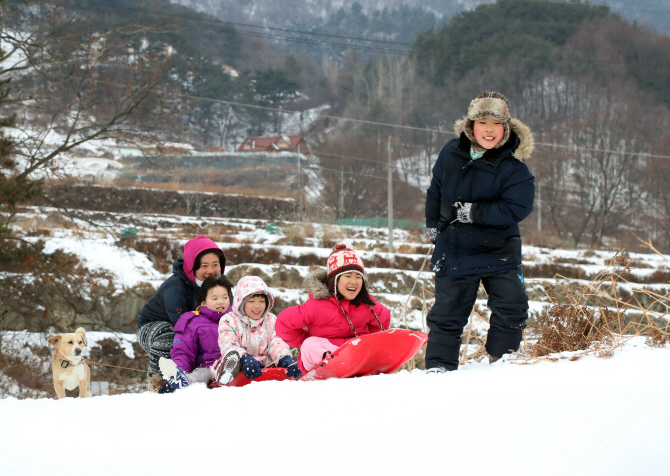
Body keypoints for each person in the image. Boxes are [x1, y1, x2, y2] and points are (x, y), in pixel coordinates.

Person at [424, 91, 535, 372]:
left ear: (506, 128)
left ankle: (502, 363)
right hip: (456, 247)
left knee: (512, 307)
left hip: (500, 249)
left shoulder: (515, 166)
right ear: (470, 125)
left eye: (496, 124)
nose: (489, 130)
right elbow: (436, 190)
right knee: (447, 314)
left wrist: (474, 213)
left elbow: (517, 208)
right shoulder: (451, 153)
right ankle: (438, 370)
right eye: (482, 122)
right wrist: (433, 226)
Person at [276, 244, 391, 375]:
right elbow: (284, 324)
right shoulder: (317, 305)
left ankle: (357, 362)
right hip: (321, 361)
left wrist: (366, 339)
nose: (354, 281)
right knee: (309, 344)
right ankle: (340, 361)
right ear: (334, 280)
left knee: (377, 342)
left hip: (357, 355)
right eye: (348, 276)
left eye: (358, 277)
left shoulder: (367, 305)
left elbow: (383, 321)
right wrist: (305, 339)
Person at [136, 235, 226, 391]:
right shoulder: (175, 288)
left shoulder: (220, 286)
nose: (211, 271)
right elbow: (184, 328)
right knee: (175, 340)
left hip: (196, 323)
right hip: (154, 328)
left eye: (215, 265)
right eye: (204, 266)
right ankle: (158, 378)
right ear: (192, 266)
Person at [156, 275, 235, 392]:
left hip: (234, 365)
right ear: (203, 303)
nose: (221, 302)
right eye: (215, 298)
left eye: (224, 297)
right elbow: (183, 351)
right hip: (209, 368)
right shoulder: (194, 323)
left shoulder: (236, 319)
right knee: (199, 377)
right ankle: (179, 381)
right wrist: (180, 369)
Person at [216, 275, 300, 383]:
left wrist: (284, 357)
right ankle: (226, 375)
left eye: (262, 301)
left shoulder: (271, 320)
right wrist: (243, 358)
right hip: (241, 367)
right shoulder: (229, 320)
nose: (257, 306)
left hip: (266, 367)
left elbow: (277, 342)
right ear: (241, 302)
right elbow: (228, 343)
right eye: (251, 301)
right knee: (232, 358)